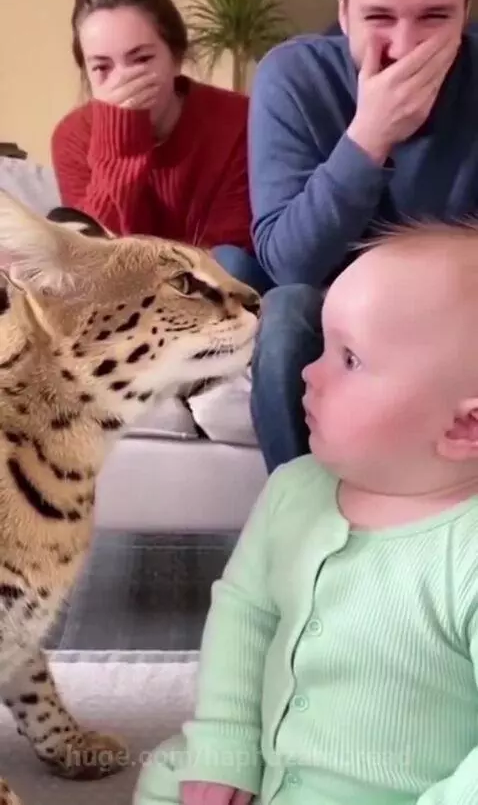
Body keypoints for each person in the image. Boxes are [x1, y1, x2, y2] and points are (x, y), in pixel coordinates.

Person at [134, 222, 478, 805]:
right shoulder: (295, 490)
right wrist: (226, 748)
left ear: (464, 425)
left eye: (349, 359)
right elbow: (245, 618)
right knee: (167, 776)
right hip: (269, 771)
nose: (307, 373)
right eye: (320, 348)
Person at [247, 0, 478, 471]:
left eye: (435, 18)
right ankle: (303, 518)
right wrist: (370, 136)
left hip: (458, 313)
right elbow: (289, 263)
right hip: (336, 311)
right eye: (378, 18)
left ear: (466, 11)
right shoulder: (294, 77)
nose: (403, 47)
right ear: (344, 10)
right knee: (284, 316)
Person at [51, 0, 270, 294]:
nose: (124, 80)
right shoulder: (72, 137)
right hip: (124, 303)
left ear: (176, 56)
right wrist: (119, 144)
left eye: (141, 59)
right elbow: (92, 266)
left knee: (231, 262)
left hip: (217, 292)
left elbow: (234, 250)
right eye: (102, 68)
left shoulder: (237, 119)